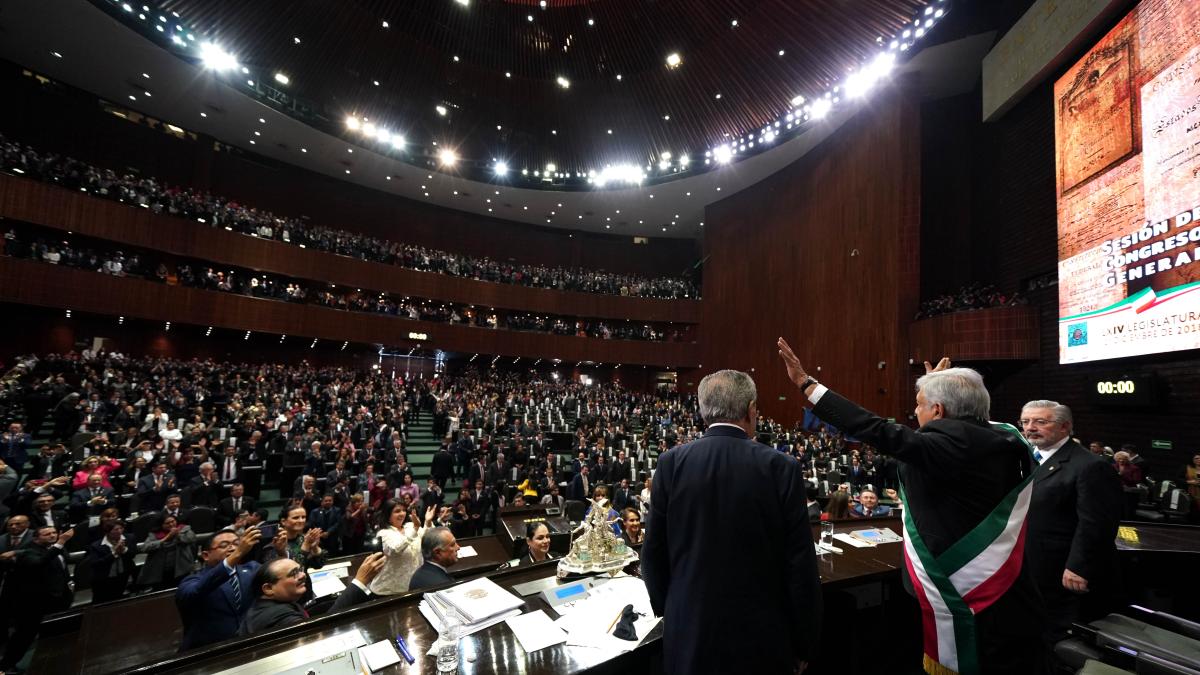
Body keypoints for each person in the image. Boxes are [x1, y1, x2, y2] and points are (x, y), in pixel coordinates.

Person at [779, 339, 1044, 674]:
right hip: (1009, 593)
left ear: (939, 411)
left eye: (920, 405)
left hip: (971, 602)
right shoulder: (1002, 437)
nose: (913, 413)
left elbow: (872, 427)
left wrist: (806, 384)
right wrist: (937, 388)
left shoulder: (951, 446)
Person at [643, 369, 821, 675]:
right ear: (752, 410)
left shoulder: (670, 463)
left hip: (689, 633)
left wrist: (673, 609)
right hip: (763, 637)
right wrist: (803, 642)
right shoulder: (781, 467)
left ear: (702, 411)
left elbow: (653, 555)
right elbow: (800, 566)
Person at [1019, 400, 1122, 646]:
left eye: (1040, 422)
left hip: (1064, 571)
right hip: (1033, 567)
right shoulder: (1027, 460)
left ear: (1065, 427)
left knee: (1061, 639)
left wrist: (1079, 566)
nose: (1030, 427)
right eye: (1025, 422)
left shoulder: (1090, 466)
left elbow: (1096, 523)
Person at [238, 552, 386, 635]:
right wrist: (359, 581)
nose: (302, 575)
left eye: (300, 570)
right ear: (268, 588)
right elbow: (320, 634)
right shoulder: (280, 618)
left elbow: (306, 600)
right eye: (293, 573)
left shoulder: (271, 602)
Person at [175, 527, 263, 650]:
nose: (233, 548)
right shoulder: (193, 580)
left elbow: (276, 578)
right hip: (209, 651)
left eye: (237, 544)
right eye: (224, 545)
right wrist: (238, 553)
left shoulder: (251, 568)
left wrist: (281, 552)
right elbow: (193, 592)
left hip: (250, 644)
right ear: (206, 555)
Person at [0, 526, 74, 672]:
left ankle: (53, 661)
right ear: (36, 538)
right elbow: (39, 563)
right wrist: (61, 542)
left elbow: (64, 563)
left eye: (54, 533)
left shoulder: (57, 547)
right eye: (47, 534)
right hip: (35, 604)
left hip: (58, 598)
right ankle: (5, 666)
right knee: (24, 636)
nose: (52, 536)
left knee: (58, 632)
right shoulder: (29, 551)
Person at [370, 500, 435, 595]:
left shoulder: (410, 526)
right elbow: (395, 550)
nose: (402, 514)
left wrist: (428, 522)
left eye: (404, 510)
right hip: (389, 590)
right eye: (397, 511)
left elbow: (429, 539)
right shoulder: (384, 533)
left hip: (412, 585)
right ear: (388, 515)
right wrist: (415, 529)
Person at [137, 514, 197, 591]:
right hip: (161, 570)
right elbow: (145, 548)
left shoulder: (184, 528)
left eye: (173, 521)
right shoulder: (154, 534)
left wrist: (178, 535)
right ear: (161, 525)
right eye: (167, 523)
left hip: (182, 567)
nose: (171, 524)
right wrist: (166, 538)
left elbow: (191, 539)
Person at [86, 521, 138, 602]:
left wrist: (124, 549)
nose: (120, 531)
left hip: (124, 575)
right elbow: (96, 564)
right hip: (104, 580)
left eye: (121, 528)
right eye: (116, 529)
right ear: (107, 532)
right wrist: (114, 554)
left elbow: (133, 554)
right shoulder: (96, 546)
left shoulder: (129, 538)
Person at [407, 527, 459, 591]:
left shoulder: (419, 573)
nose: (458, 547)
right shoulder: (443, 586)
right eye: (453, 544)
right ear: (438, 553)